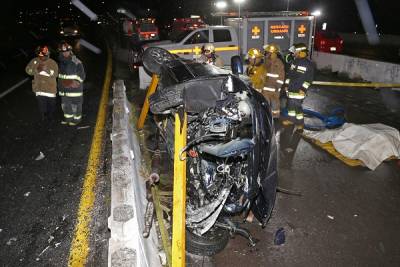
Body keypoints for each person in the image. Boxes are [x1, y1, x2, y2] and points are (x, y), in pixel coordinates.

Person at [282, 43, 315, 130]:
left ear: (300, 51)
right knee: (290, 106)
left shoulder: (308, 64)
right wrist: (286, 85)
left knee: (297, 107)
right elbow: (290, 75)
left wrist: (303, 89)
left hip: (299, 90)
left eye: (295, 51)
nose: (294, 53)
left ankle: (300, 124)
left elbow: (309, 79)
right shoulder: (295, 61)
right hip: (291, 89)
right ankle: (291, 120)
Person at [25, 45, 59, 123]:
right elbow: (28, 70)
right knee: (41, 104)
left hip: (50, 90)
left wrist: (47, 70)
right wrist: (36, 70)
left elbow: (56, 74)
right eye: (40, 56)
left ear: (48, 54)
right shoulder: (34, 61)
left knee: (51, 105)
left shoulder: (52, 63)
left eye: (44, 56)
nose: (42, 58)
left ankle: (50, 115)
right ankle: (43, 116)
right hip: (39, 88)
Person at [57, 41, 86, 126]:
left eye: (67, 51)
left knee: (76, 106)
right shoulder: (60, 62)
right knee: (65, 106)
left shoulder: (76, 61)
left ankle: (77, 120)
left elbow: (82, 75)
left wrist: (76, 82)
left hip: (75, 90)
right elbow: (60, 76)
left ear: (70, 51)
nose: (65, 53)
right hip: (64, 90)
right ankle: (68, 118)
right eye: (63, 52)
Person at [262, 43, 285, 118]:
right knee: (266, 103)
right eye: (267, 52)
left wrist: (278, 86)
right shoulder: (266, 61)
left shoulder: (279, 63)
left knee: (275, 103)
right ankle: (266, 116)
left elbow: (281, 76)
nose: (267, 54)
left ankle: (275, 116)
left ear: (274, 53)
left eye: (269, 53)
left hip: (275, 88)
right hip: (266, 88)